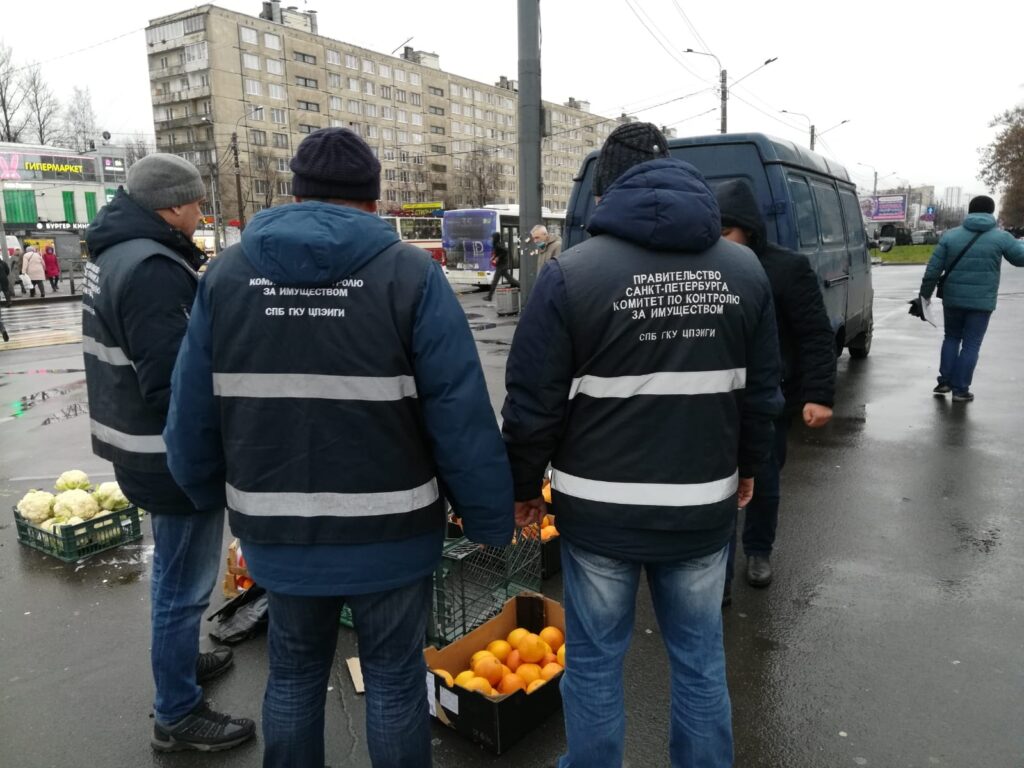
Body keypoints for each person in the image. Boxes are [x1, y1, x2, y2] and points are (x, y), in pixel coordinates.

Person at [164, 127, 515, 768]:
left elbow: (190, 408)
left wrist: (204, 490)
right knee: (393, 679)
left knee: (294, 676)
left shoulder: (229, 274)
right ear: (373, 201)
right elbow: (459, 412)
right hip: (394, 531)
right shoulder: (409, 273)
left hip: (279, 530)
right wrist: (490, 516)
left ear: (295, 193)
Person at [500, 122, 782, 768]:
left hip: (598, 513)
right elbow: (762, 392)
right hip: (702, 503)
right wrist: (752, 467)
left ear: (604, 192)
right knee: (700, 659)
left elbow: (532, 404)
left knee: (596, 663)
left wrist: (521, 487)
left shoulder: (571, 274)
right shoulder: (744, 271)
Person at [82, 154, 254, 753]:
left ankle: (178, 664)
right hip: (167, 455)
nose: (201, 213)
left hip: (133, 443)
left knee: (176, 578)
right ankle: (176, 714)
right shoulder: (154, 267)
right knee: (182, 586)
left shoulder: (116, 251)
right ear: (173, 204)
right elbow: (175, 383)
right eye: (196, 203)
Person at [715, 179, 836, 599]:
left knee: (762, 480)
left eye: (726, 231)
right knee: (718, 489)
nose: (719, 241)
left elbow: (816, 334)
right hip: (716, 401)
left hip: (768, 399)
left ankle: (759, 550)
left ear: (749, 229)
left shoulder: (786, 268)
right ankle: (719, 575)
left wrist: (819, 394)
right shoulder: (704, 266)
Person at [919, 195, 1024, 402]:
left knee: (951, 337)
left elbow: (933, 270)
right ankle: (960, 390)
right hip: (982, 302)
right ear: (991, 212)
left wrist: (925, 296)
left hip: (953, 299)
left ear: (970, 210)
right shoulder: (1001, 237)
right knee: (971, 344)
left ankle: (944, 381)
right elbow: (1020, 259)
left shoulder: (950, 236)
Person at [485, 230, 519, 301]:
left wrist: (498, 257)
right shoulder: (497, 244)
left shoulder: (497, 245)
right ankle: (489, 296)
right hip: (502, 265)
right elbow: (500, 252)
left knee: (495, 281)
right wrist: (494, 257)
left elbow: (505, 251)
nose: (491, 239)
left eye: (492, 238)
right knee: (510, 280)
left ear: (495, 238)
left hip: (501, 266)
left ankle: (489, 297)